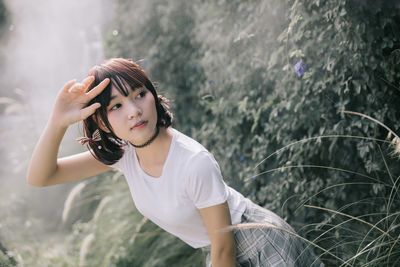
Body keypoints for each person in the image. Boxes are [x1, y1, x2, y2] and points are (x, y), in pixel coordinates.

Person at [27, 58, 324, 267]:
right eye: (116, 106)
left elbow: (224, 247)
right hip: (219, 251)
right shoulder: (124, 154)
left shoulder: (194, 162)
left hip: (259, 245)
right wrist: (57, 122)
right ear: (103, 124)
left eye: (139, 94)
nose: (133, 111)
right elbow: (41, 177)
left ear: (153, 97)